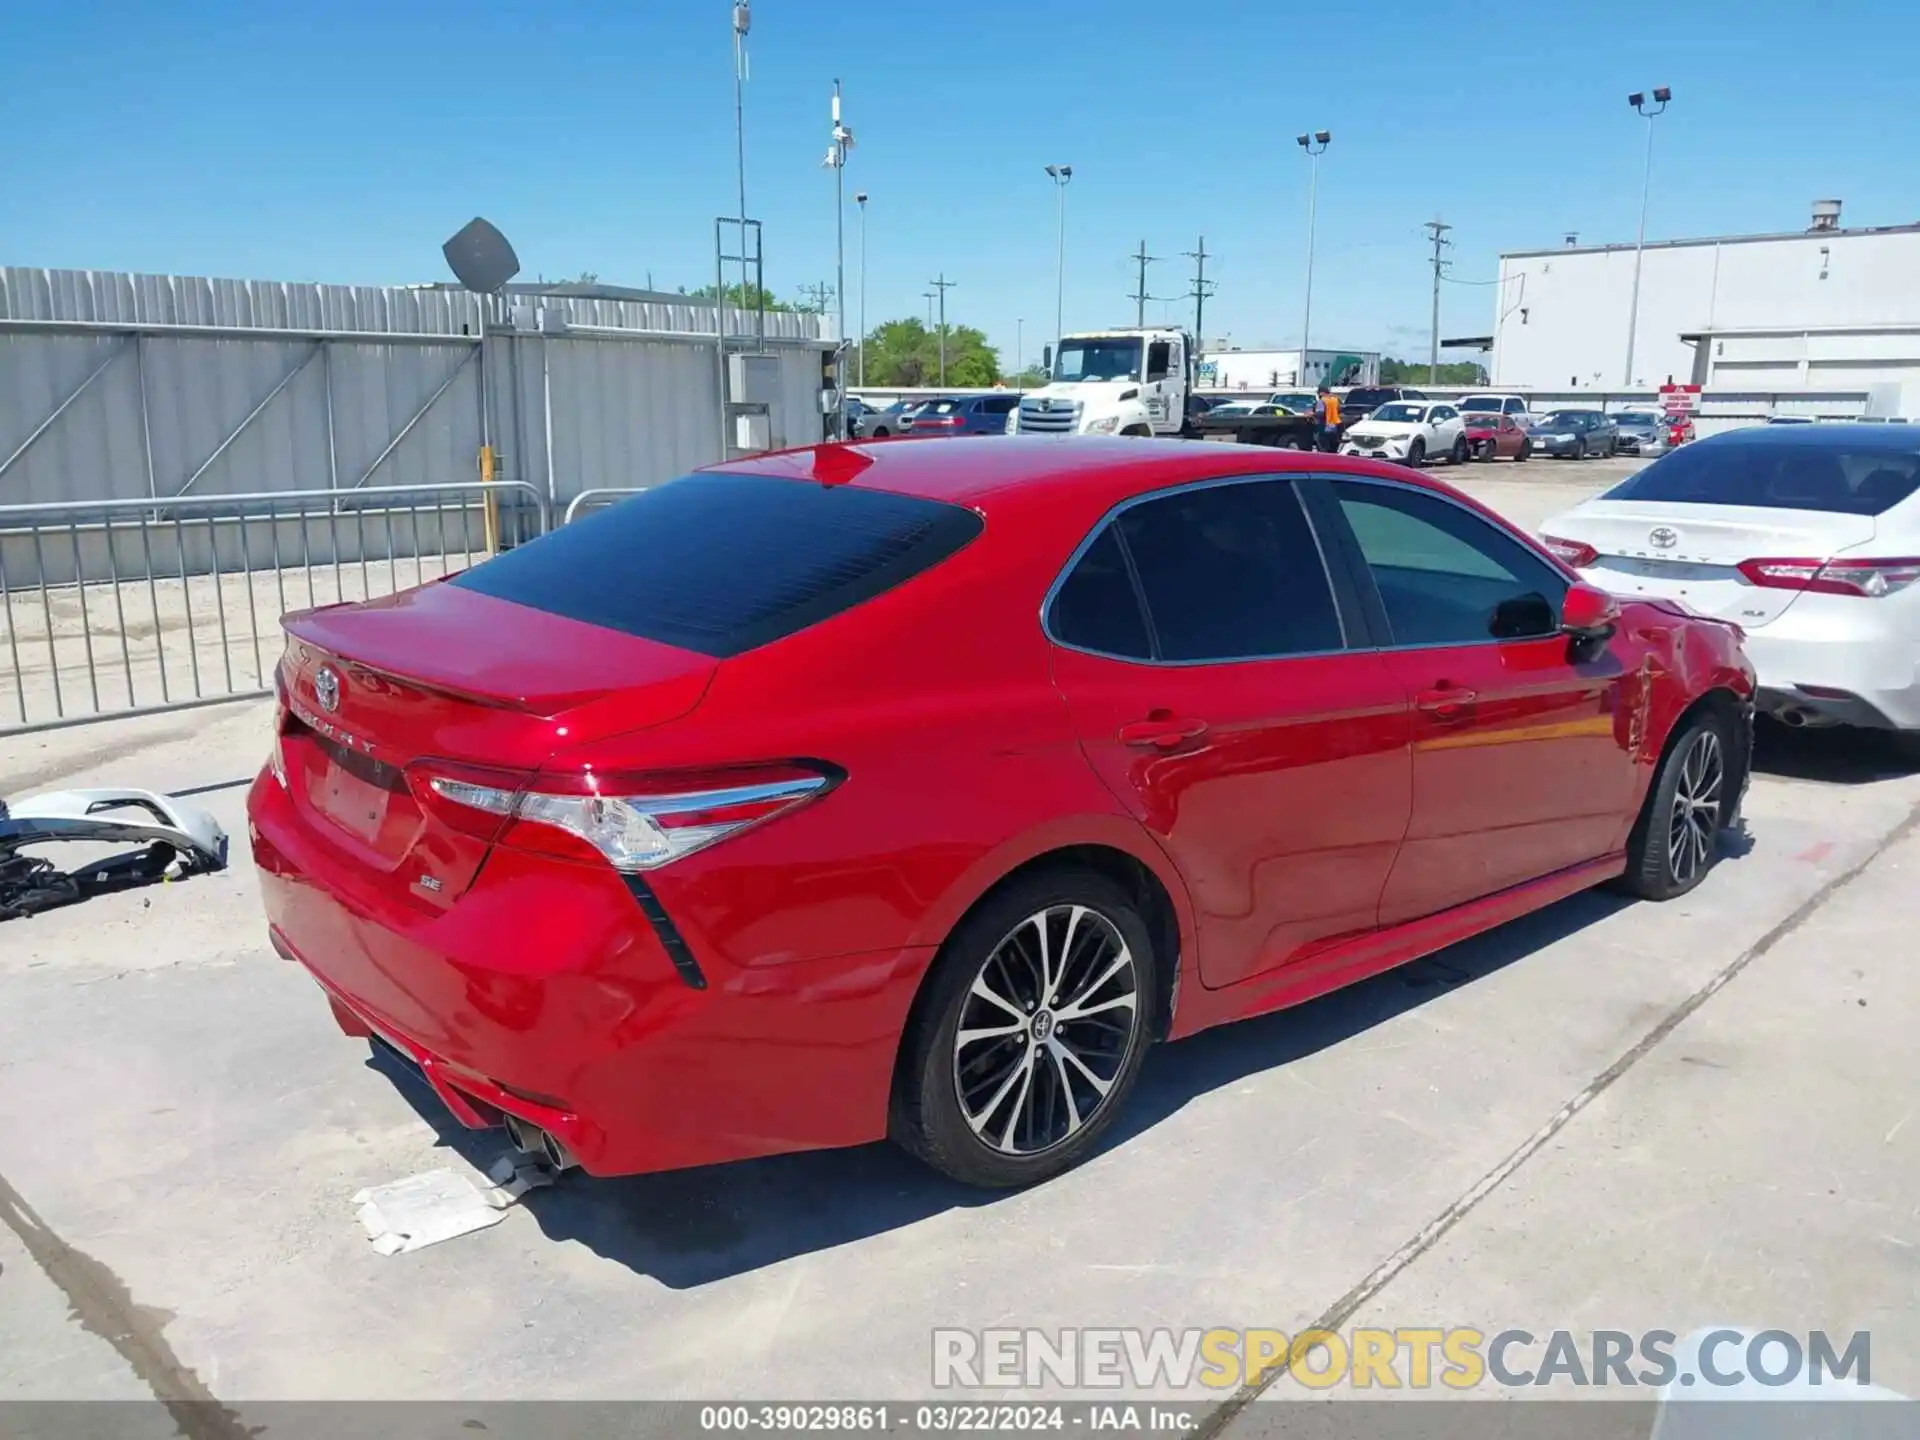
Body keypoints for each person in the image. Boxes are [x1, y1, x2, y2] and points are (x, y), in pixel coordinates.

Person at [1314, 385, 1342, 452]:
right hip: (1335, 427)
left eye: (1318, 393)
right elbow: (1339, 410)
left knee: (1323, 449)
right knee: (1333, 449)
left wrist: (1313, 414)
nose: (1318, 395)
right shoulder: (1336, 400)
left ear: (1322, 393)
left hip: (1325, 427)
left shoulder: (1322, 401)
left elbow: (1320, 414)